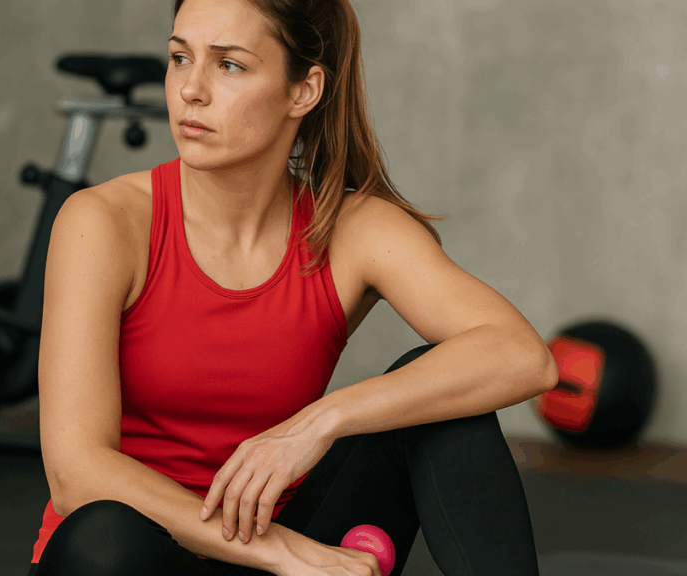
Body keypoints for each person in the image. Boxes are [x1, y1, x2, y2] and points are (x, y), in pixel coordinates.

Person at [27, 0, 558, 574]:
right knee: (106, 535)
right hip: (151, 555)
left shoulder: (354, 230)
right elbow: (76, 473)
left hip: (283, 537)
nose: (190, 91)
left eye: (229, 65)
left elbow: (523, 357)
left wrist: (323, 420)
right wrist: (287, 554)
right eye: (180, 58)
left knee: (441, 398)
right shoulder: (104, 222)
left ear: (303, 91)